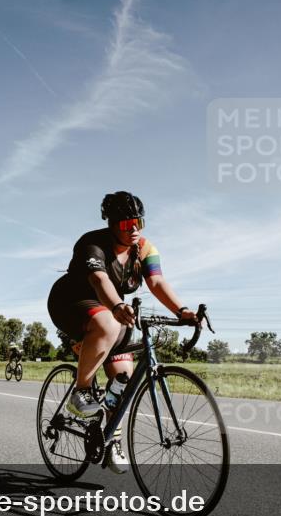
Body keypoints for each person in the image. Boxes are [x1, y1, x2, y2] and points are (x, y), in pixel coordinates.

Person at [47, 191, 198, 474]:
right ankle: (81, 391)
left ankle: (111, 439)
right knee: (108, 323)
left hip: (110, 308)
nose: (134, 229)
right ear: (112, 224)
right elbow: (98, 279)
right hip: (71, 302)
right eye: (127, 224)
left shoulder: (145, 249)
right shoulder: (93, 243)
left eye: (139, 222)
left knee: (122, 382)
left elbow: (156, 282)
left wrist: (182, 311)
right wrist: (117, 305)